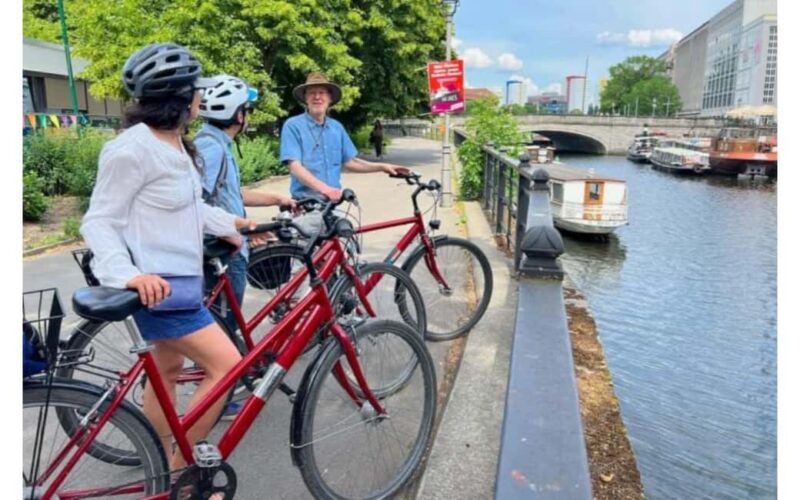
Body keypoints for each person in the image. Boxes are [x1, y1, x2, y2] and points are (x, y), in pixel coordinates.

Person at [80, 43, 266, 473]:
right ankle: (182, 472)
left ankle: (160, 461)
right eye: (196, 90)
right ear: (181, 96)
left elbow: (190, 208)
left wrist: (234, 227)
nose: (202, 96)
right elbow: (100, 221)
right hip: (158, 288)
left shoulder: (175, 145)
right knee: (229, 365)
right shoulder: (132, 149)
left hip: (181, 283)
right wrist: (127, 275)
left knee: (167, 369)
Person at [195, 74, 295, 419]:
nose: (248, 115)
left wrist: (277, 198)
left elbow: (232, 196)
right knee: (222, 327)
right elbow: (199, 203)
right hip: (225, 252)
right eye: (246, 109)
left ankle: (216, 387)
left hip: (232, 244)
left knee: (223, 324)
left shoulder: (217, 144)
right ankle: (215, 397)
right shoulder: (211, 147)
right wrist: (238, 230)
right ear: (238, 115)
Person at [279, 72, 410, 203]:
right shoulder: (293, 126)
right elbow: (295, 167)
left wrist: (382, 167)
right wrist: (326, 190)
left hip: (333, 203)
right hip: (305, 204)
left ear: (329, 98)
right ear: (305, 97)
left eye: (322, 92)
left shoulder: (336, 128)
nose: (317, 97)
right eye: (312, 93)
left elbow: (350, 162)